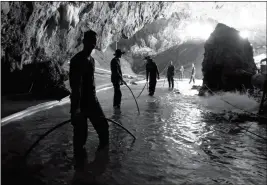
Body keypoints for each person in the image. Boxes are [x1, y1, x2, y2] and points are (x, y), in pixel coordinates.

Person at [69, 30, 109, 164]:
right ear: (84, 41)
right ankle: (79, 171)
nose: (93, 44)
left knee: (103, 128)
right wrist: (76, 109)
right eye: (91, 41)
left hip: (92, 101)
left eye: (95, 41)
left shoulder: (92, 60)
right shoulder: (76, 60)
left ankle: (101, 163)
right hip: (81, 103)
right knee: (80, 139)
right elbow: (75, 87)